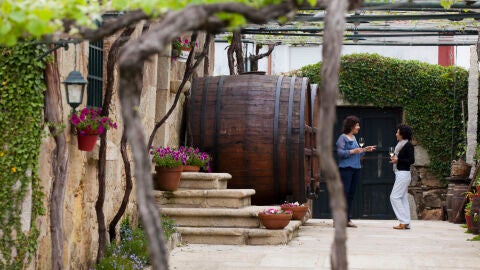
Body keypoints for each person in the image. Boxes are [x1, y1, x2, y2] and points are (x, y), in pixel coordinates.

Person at [336, 115, 376, 228]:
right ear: (351, 126)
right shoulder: (342, 138)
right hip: (345, 169)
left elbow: (358, 154)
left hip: (356, 169)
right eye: (357, 125)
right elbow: (340, 153)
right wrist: (353, 151)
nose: (359, 127)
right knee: (343, 195)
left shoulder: (354, 138)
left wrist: (365, 150)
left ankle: (347, 219)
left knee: (350, 195)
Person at [389, 124, 415, 230]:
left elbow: (411, 160)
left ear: (402, 134)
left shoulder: (408, 145)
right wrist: (395, 160)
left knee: (394, 197)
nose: (396, 134)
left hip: (404, 174)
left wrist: (398, 160)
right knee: (403, 198)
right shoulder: (400, 144)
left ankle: (403, 221)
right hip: (399, 173)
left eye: (397, 132)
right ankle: (406, 222)